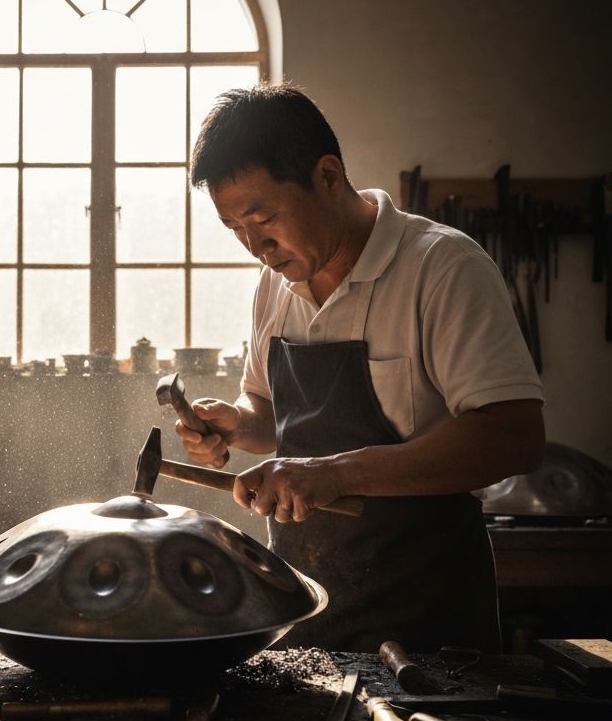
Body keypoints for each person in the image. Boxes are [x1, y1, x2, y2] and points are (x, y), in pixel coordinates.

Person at [179, 83, 545, 653]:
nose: (255, 246)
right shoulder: (274, 285)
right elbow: (282, 419)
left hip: (428, 630)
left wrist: (336, 473)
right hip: (307, 619)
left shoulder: (443, 268)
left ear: (327, 177)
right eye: (236, 230)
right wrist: (240, 424)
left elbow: (513, 437)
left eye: (264, 218)